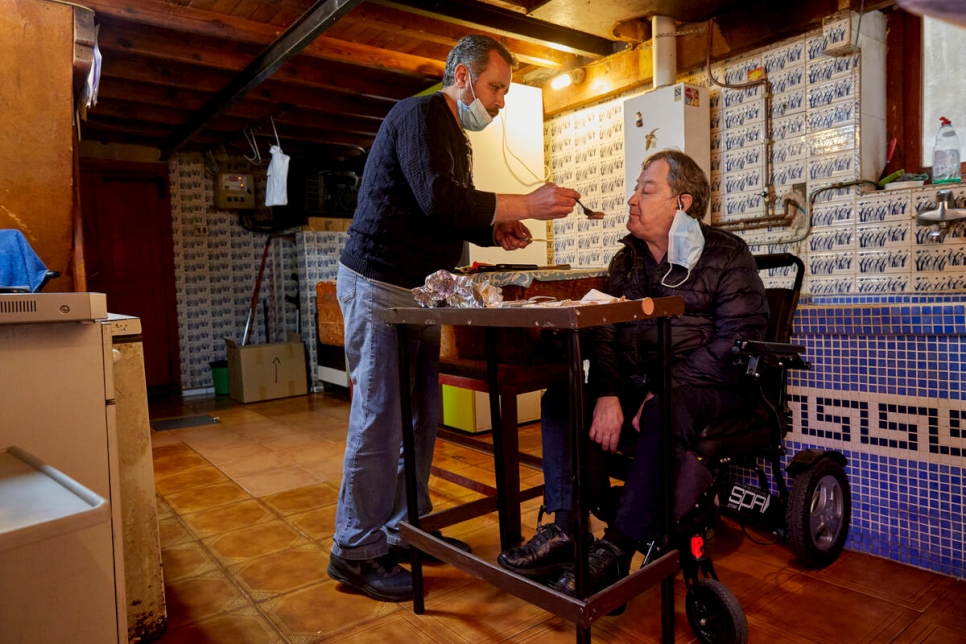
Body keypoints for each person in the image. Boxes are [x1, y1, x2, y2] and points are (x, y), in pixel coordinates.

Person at [327, 34, 579, 603]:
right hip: (377, 284)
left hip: (415, 293)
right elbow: (440, 199)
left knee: (419, 417)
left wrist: (492, 228)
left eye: (504, 92)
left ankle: (404, 530)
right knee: (379, 418)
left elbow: (441, 211)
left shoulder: (453, 134)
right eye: (495, 88)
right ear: (462, 78)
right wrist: (527, 203)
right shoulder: (418, 114)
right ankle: (355, 549)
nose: (499, 102)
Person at [497, 150, 769, 597]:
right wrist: (606, 393)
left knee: (666, 409)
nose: (631, 199)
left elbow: (736, 341)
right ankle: (568, 528)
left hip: (713, 386)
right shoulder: (628, 262)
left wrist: (662, 388)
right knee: (561, 398)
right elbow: (604, 333)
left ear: (681, 204)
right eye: (635, 189)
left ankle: (619, 547)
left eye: (647, 190)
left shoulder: (725, 254)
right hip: (645, 387)